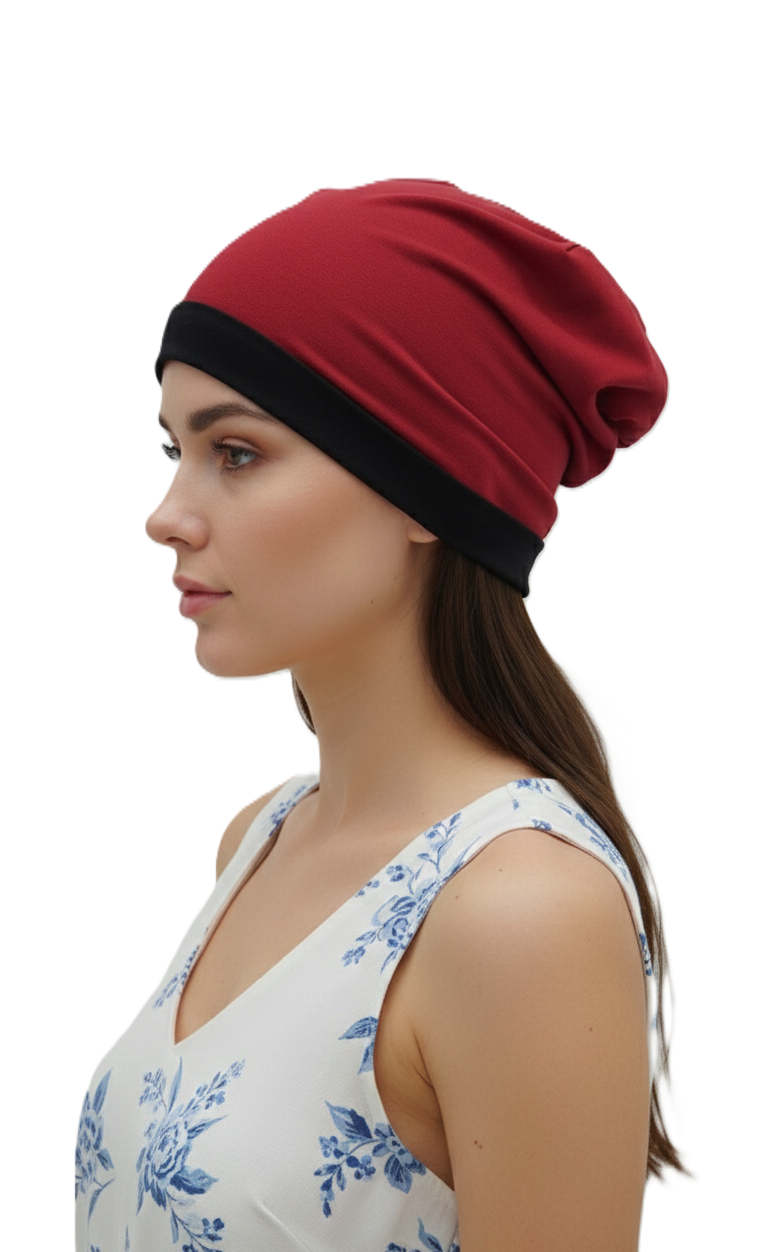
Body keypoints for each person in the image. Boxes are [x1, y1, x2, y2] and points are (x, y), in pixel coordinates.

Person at [74, 178, 691, 1252]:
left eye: (236, 453)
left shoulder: (522, 913)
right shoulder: (260, 837)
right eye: (175, 450)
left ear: (426, 483)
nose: (166, 516)